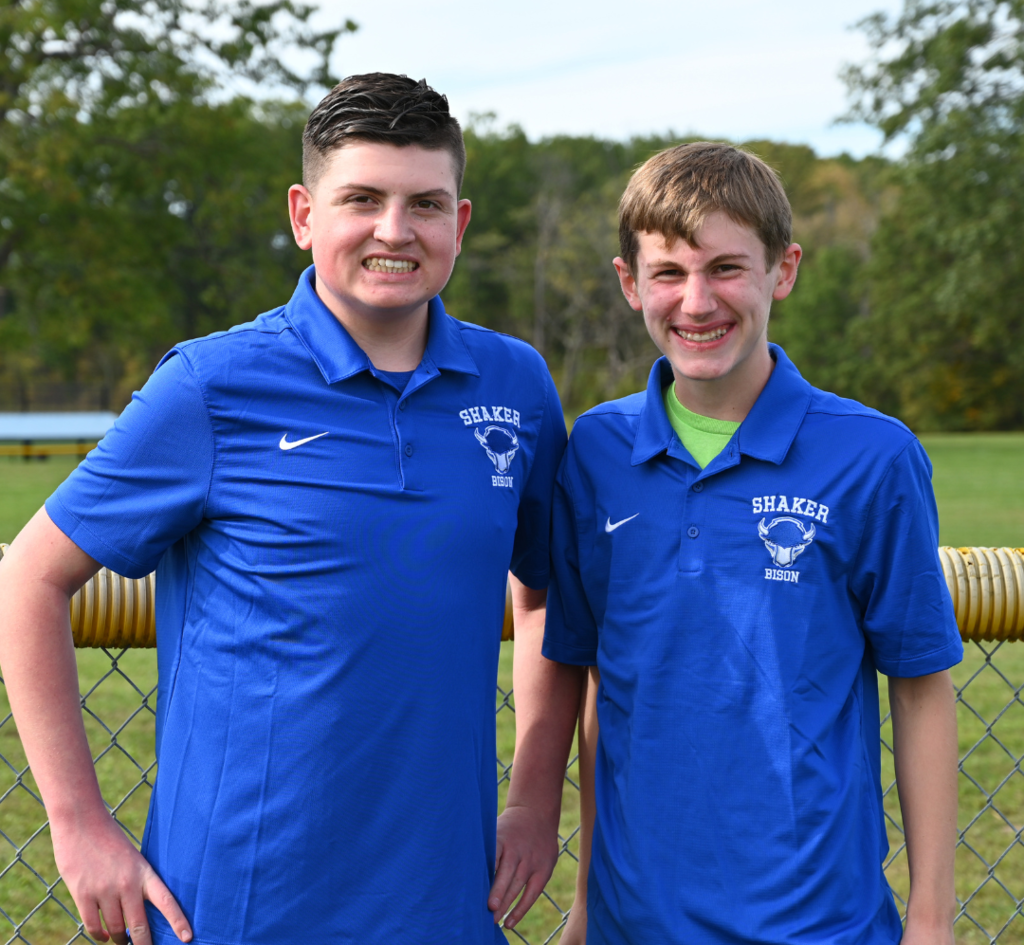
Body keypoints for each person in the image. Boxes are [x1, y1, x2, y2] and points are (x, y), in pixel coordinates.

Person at [0, 73, 570, 945]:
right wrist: (78, 824)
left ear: (458, 223)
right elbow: (29, 579)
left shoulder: (516, 384)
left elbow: (542, 594)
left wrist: (531, 800)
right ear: (304, 215)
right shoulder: (211, 385)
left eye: (424, 204)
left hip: (444, 901)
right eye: (362, 199)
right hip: (235, 902)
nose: (394, 230)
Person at [504, 142, 963, 945]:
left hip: (816, 922)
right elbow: (602, 686)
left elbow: (921, 685)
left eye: (725, 268)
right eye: (669, 273)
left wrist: (931, 917)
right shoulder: (598, 452)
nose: (697, 301)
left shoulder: (873, 456)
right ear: (630, 283)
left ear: (783, 270)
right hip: (634, 923)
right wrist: (586, 903)